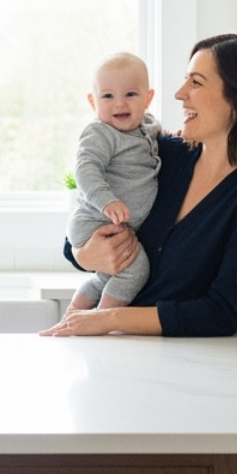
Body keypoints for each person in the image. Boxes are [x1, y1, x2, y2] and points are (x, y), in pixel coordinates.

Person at [41, 33, 237, 337]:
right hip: (111, 349)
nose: (180, 94)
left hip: (183, 359)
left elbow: (221, 313)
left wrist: (110, 319)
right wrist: (84, 254)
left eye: (196, 82)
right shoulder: (162, 155)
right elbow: (84, 224)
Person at [67, 52, 162, 311]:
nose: (119, 103)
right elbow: (86, 168)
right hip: (95, 220)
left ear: (148, 98)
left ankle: (73, 316)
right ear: (93, 101)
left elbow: (158, 138)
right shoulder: (101, 132)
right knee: (135, 270)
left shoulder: (148, 127)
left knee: (104, 279)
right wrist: (107, 201)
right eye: (108, 96)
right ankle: (102, 321)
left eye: (130, 94)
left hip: (114, 224)